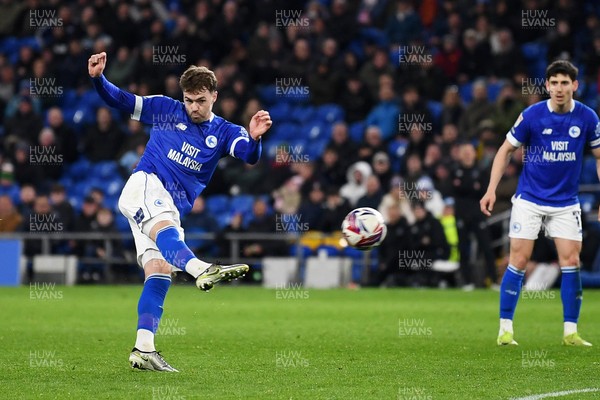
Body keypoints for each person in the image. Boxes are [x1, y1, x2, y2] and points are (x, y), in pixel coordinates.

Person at [88, 52, 272, 371]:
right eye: (188, 100)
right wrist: (98, 79)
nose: (193, 107)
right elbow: (121, 100)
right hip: (146, 185)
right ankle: (201, 268)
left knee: (159, 271)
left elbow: (248, 155)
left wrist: (255, 139)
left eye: (200, 100)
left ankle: (144, 349)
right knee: (166, 235)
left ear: (214, 96)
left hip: (169, 205)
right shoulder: (165, 109)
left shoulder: (226, 131)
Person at [480, 60, 600, 347]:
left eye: (565, 83)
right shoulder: (532, 116)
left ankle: (570, 332)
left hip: (565, 202)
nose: (559, 88)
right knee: (518, 261)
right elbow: (505, 150)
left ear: (575, 86)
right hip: (530, 200)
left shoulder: (588, 117)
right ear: (547, 86)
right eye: (554, 83)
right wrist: (491, 190)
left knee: (571, 262)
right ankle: (505, 329)